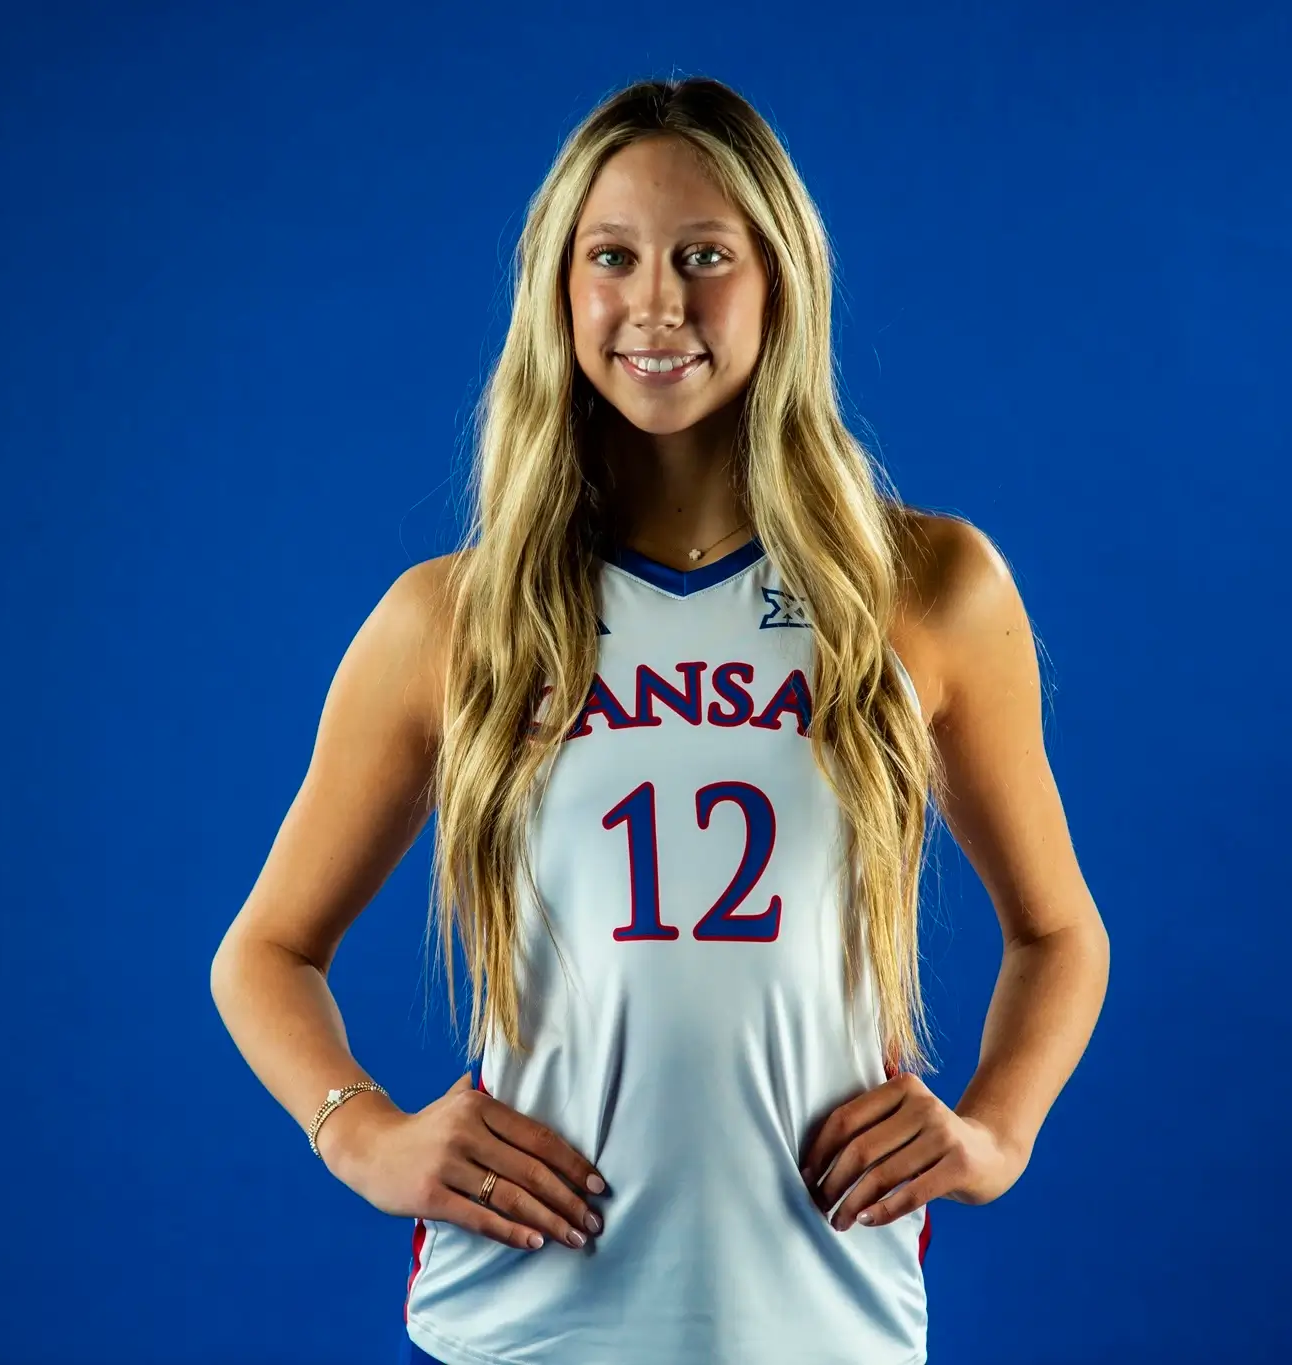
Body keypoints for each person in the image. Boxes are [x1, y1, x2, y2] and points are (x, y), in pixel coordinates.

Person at [209, 75, 1110, 1365]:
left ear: (781, 282)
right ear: (558, 291)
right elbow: (264, 952)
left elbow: (1060, 932)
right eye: (612, 257)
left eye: (706, 257)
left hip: (823, 1314)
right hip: (528, 1317)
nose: (657, 304)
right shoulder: (454, 619)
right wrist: (361, 1133)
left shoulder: (926, 590)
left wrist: (994, 1136)